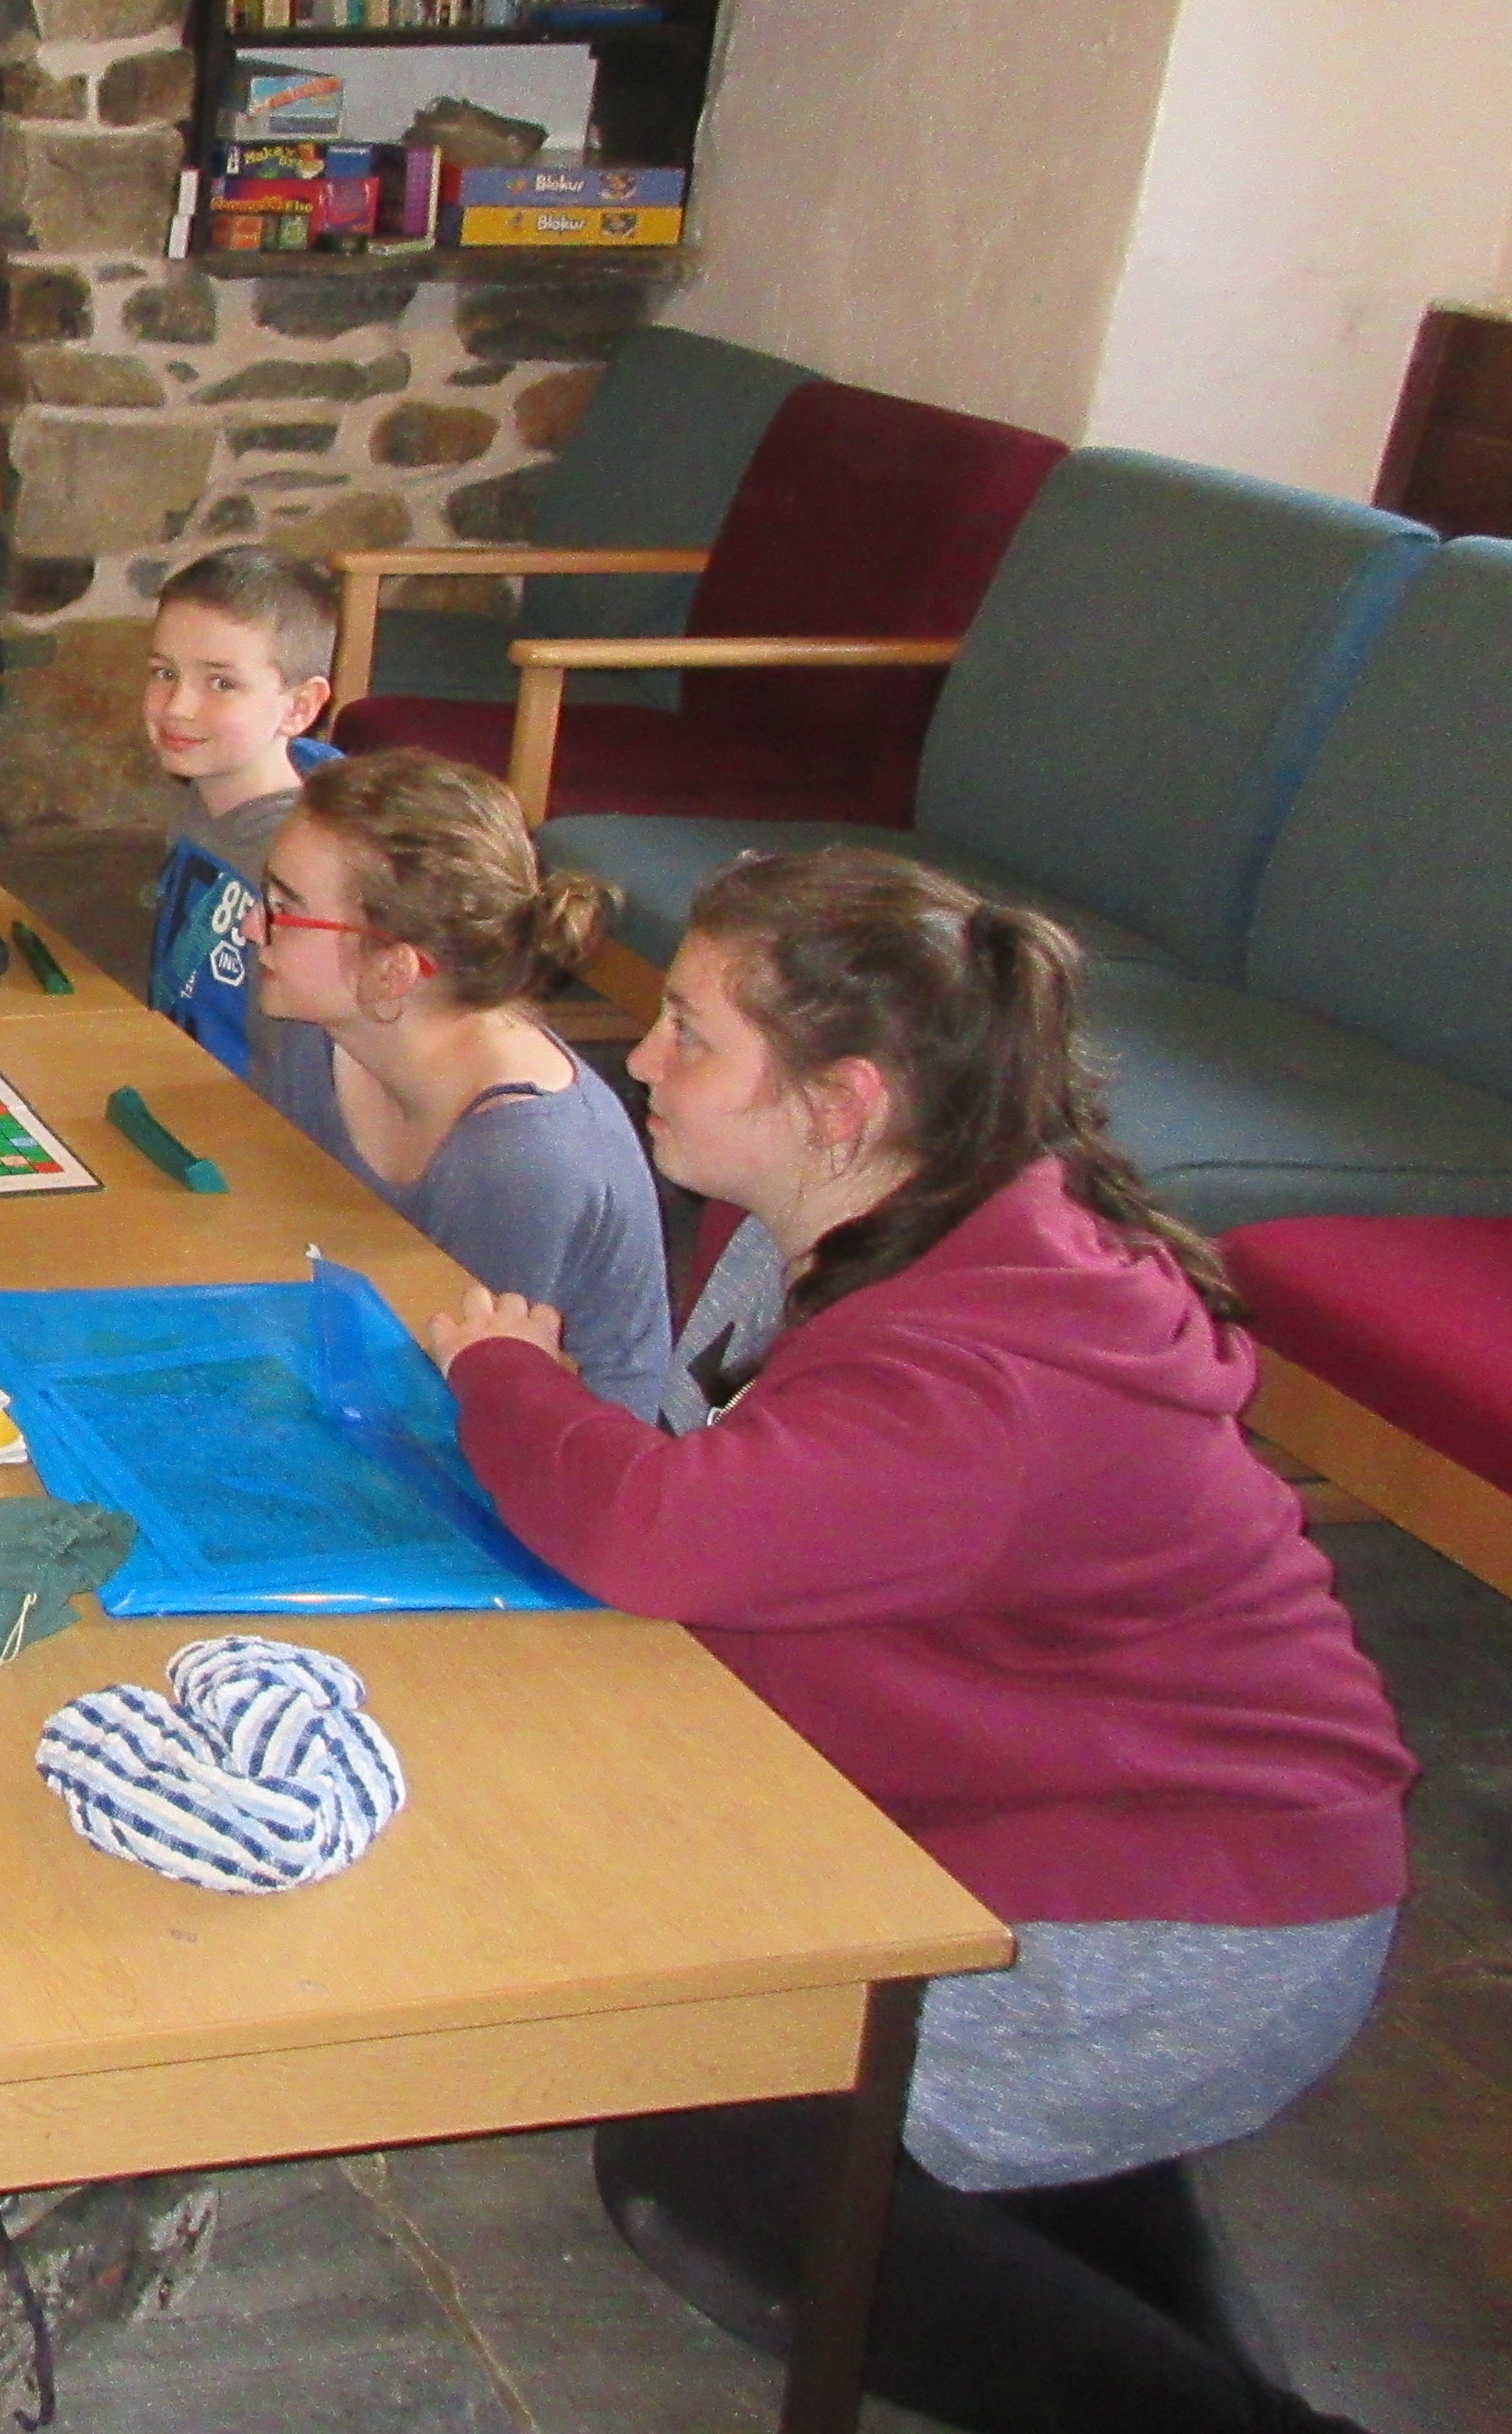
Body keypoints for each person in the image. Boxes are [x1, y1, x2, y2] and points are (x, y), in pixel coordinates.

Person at [428, 847, 1412, 2434]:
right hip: (1064, 1830)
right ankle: (1108, 2231)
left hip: (1189, 1915)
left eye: (691, 1035)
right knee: (804, 2059)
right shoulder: (848, 1218)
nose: (642, 1059)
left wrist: (503, 1376)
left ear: (844, 1101)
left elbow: (650, 1529)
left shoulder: (984, 1367)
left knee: (711, 2146)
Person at [248, 747, 681, 1426]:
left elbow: (471, 1409)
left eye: (284, 909)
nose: (253, 926)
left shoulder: (516, 1158)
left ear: (392, 971)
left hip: (513, 1455)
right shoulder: (320, 1036)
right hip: (370, 1372)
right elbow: (278, 1241)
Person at [139, 545, 340, 1073]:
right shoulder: (203, 796)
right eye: (163, 672)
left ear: (299, 707)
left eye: (222, 683)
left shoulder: (304, 859)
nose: (177, 707)